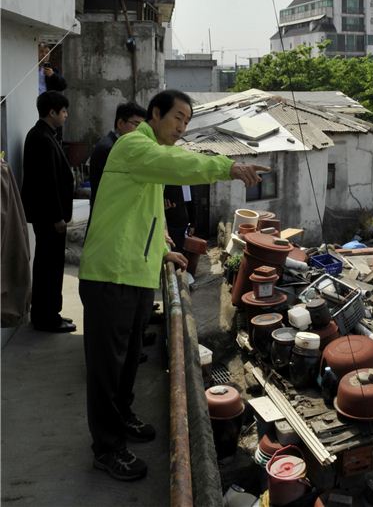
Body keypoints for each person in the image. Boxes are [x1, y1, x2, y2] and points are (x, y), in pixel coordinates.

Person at [79, 89, 269, 482]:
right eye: (177, 118)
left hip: (134, 273)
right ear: (155, 113)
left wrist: (161, 253)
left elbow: (143, 214)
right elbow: (178, 164)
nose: (182, 128)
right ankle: (107, 449)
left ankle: (124, 417)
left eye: (187, 121)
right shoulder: (136, 146)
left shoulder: (147, 160)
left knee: (129, 359)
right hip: (110, 274)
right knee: (106, 370)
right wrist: (228, 167)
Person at [20, 91, 75, 333]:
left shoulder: (45, 135)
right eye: (63, 111)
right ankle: (46, 318)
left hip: (49, 217)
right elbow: (47, 183)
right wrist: (57, 217)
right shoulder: (41, 138)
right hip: (49, 218)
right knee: (48, 268)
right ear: (51, 112)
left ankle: (50, 313)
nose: (66, 115)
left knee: (50, 265)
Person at [88, 102, 147, 214]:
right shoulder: (110, 148)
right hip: (106, 212)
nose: (140, 131)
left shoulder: (115, 144)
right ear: (120, 123)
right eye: (136, 124)